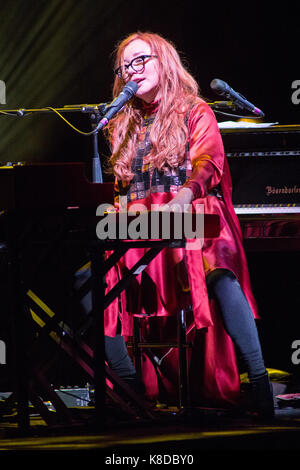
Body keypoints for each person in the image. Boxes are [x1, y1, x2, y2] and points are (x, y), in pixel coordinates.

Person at [102, 31, 274, 418]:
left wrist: (184, 196)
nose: (133, 70)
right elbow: (120, 186)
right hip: (142, 223)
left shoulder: (195, 110)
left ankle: (260, 383)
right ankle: (131, 388)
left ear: (164, 60)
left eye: (141, 60)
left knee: (219, 270)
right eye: (125, 65)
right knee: (94, 279)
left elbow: (208, 163)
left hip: (196, 217)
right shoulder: (120, 124)